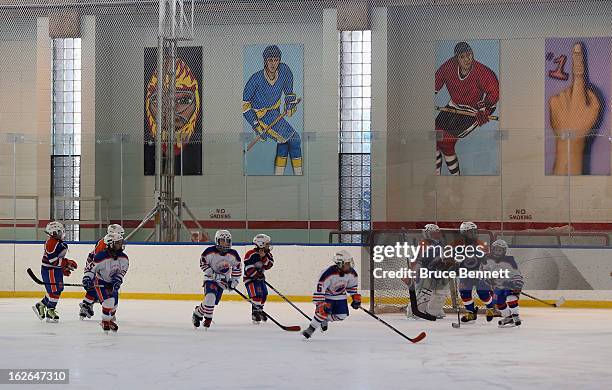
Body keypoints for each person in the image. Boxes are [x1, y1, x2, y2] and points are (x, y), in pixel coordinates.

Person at [435, 41, 499, 175]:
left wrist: (485, 109)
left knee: (446, 143)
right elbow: (435, 82)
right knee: (434, 140)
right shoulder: (448, 67)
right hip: (453, 106)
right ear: (456, 58)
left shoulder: (481, 72)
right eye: (463, 56)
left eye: (469, 55)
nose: (467, 59)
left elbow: (494, 92)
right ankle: (436, 176)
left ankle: (456, 182)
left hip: (472, 112)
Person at [243, 45, 302, 175]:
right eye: (270, 60)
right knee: (295, 139)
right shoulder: (255, 79)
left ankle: (278, 176)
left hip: (275, 112)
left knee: (284, 142)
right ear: (265, 61)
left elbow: (289, 94)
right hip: (261, 116)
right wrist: (256, 126)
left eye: (276, 60)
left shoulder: (285, 71)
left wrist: (291, 105)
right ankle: (298, 174)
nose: (273, 63)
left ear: (279, 60)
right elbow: (245, 105)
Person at [302, 250, 360, 339]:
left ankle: (325, 320)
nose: (349, 265)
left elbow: (351, 287)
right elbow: (320, 289)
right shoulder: (328, 273)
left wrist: (355, 297)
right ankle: (311, 328)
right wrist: (320, 303)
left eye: (349, 263)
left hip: (340, 296)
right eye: (347, 263)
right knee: (323, 311)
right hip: (327, 296)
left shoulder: (352, 273)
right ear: (340, 264)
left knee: (342, 316)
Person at [192, 230, 242, 329]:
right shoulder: (209, 252)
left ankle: (197, 313)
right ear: (217, 241)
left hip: (223, 282)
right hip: (210, 279)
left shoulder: (233, 254)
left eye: (227, 241)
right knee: (210, 296)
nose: (225, 243)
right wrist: (212, 274)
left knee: (211, 302)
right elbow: (203, 263)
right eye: (222, 240)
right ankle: (208, 319)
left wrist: (234, 281)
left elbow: (237, 267)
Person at [83, 232, 129, 333]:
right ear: (110, 244)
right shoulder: (101, 257)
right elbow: (91, 269)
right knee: (109, 301)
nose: (121, 245)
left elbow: (123, 271)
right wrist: (87, 278)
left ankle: (109, 319)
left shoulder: (124, 258)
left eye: (121, 242)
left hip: (112, 285)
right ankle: (105, 321)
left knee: (114, 305)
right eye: (118, 243)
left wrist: (118, 279)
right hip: (101, 282)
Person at [32, 221, 77, 322]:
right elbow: (52, 261)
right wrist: (66, 262)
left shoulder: (58, 243)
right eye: (60, 232)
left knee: (58, 289)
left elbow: (57, 261)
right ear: (54, 233)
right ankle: (50, 310)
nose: (62, 234)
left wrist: (63, 267)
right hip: (49, 270)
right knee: (54, 291)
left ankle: (41, 305)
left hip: (55, 269)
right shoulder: (51, 243)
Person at [79, 224, 124, 320]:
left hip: (99, 266)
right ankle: (88, 306)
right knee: (98, 288)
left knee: (96, 288)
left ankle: (86, 305)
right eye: (120, 234)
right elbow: (98, 261)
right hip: (96, 267)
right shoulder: (105, 244)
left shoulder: (112, 242)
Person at [454, 221, 496, 323]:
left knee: (482, 293)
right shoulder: (458, 244)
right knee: (464, 293)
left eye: (473, 231)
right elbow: (450, 256)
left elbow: (487, 260)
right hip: (465, 274)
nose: (472, 234)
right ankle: (471, 313)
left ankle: (490, 309)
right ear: (463, 233)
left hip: (479, 273)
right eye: (469, 232)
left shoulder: (480, 244)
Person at [482, 239, 524, 327]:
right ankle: (508, 317)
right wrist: (488, 279)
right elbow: (484, 271)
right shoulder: (488, 260)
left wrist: (515, 283)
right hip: (498, 286)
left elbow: (517, 273)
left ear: (504, 251)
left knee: (510, 297)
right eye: (496, 249)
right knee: (499, 302)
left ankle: (516, 316)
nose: (497, 251)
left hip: (510, 285)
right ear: (492, 249)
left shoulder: (510, 260)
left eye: (500, 250)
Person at [244, 234, 274, 324]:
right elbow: (248, 268)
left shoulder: (268, 254)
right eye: (267, 244)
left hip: (260, 279)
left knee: (264, 294)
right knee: (257, 295)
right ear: (261, 244)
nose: (268, 246)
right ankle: (255, 313)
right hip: (250, 279)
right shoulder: (250, 254)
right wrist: (256, 275)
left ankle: (260, 310)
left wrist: (264, 257)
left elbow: (269, 265)